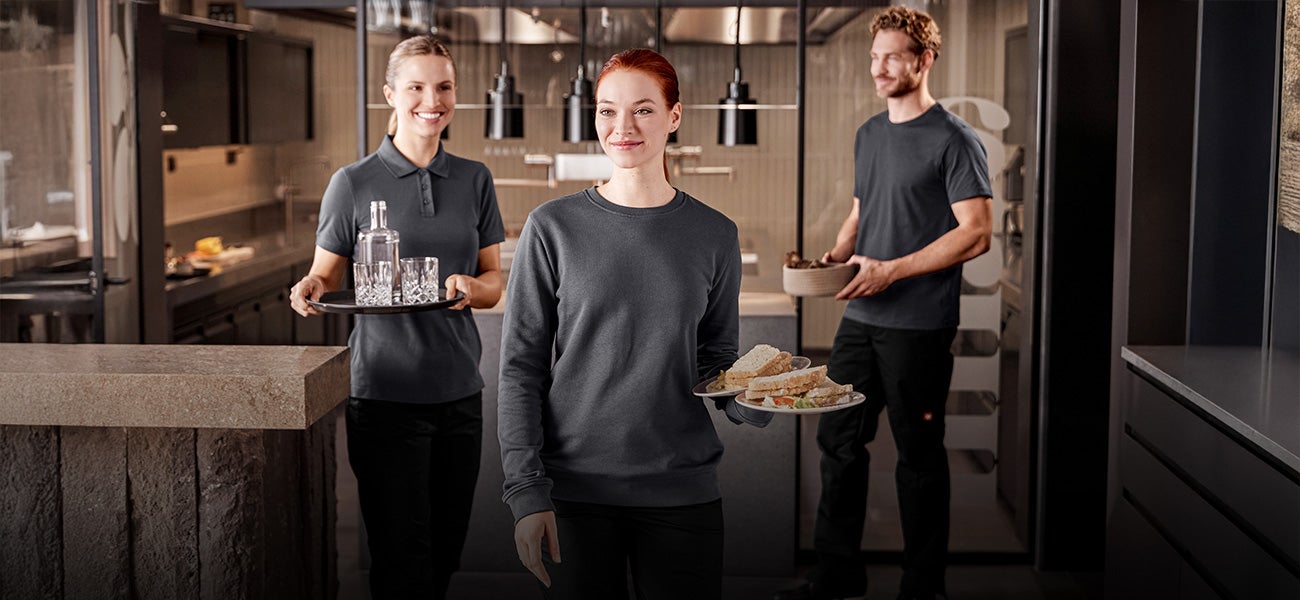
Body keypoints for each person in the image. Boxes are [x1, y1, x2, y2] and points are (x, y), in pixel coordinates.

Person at [497, 48, 772, 600]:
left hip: (682, 491)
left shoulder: (715, 234)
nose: (622, 127)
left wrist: (755, 399)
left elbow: (715, 358)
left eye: (643, 109)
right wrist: (526, 491)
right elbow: (521, 369)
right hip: (573, 494)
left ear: (674, 116)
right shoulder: (551, 228)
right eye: (607, 110)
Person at [776, 7, 992, 600]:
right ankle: (837, 573)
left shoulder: (954, 139)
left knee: (918, 456)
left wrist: (891, 270)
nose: (879, 68)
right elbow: (861, 210)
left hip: (919, 325)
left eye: (892, 56)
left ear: (924, 59)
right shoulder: (869, 134)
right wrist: (834, 257)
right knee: (838, 442)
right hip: (861, 320)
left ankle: (923, 586)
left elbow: (976, 233)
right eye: (875, 57)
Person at [287, 35, 504, 600]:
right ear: (390, 94)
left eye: (444, 87)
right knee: (400, 559)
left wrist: (471, 286)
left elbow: (493, 283)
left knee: (446, 551)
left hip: (459, 394)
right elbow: (325, 275)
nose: (432, 100)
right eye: (416, 87)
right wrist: (310, 286)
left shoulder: (475, 179)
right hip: (384, 397)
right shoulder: (353, 182)